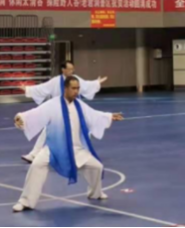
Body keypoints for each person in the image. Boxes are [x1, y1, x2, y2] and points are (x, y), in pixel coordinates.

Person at [12, 76, 123, 213]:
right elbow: (35, 113)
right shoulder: (52, 104)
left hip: (76, 149)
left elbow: (94, 115)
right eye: (73, 88)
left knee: (97, 167)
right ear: (65, 88)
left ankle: (95, 193)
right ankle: (25, 201)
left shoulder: (79, 105)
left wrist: (109, 117)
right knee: (36, 165)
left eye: (78, 89)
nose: (76, 92)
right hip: (54, 148)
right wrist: (21, 118)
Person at [20, 61, 108, 164]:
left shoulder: (76, 80)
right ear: (63, 70)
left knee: (83, 132)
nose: (72, 71)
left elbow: (87, 86)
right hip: (59, 112)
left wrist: (97, 83)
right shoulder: (55, 81)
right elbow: (42, 88)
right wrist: (28, 89)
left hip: (75, 111)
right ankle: (33, 154)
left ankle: (82, 155)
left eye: (73, 69)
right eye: (70, 69)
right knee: (47, 131)